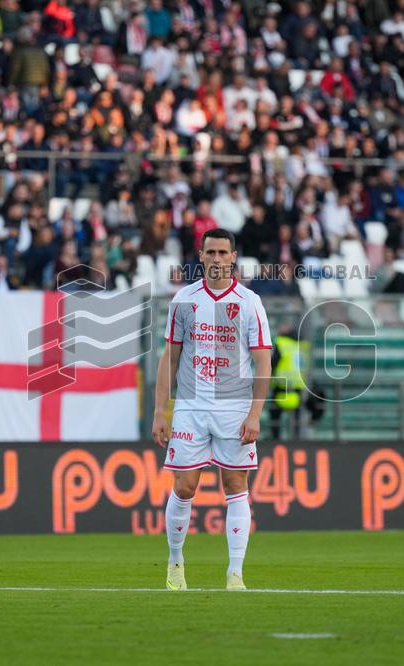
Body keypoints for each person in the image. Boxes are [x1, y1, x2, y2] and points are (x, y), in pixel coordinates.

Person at [152, 228, 272, 592]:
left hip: (234, 409)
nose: (217, 259)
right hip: (190, 405)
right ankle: (175, 561)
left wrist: (254, 414)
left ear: (234, 257)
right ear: (200, 256)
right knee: (185, 486)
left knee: (236, 484)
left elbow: (263, 364)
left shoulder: (250, 302)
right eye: (211, 252)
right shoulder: (184, 299)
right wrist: (160, 411)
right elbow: (169, 357)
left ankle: (235, 573)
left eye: (224, 252)